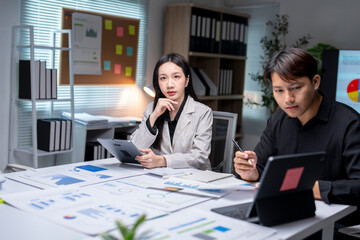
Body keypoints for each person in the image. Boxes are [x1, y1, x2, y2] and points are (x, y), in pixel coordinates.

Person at [233, 48, 360, 239]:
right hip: (285, 215)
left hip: (336, 225)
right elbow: (259, 166)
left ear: (315, 82)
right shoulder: (279, 120)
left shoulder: (349, 124)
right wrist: (250, 172)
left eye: (296, 88)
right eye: (279, 90)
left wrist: (315, 188)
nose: (287, 99)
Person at [130, 53, 213, 170]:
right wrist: (153, 116)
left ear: (186, 80)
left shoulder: (203, 112)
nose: (169, 85)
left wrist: (161, 160)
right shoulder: (151, 109)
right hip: (159, 177)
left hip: (193, 177)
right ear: (158, 82)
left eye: (176, 77)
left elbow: (199, 157)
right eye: (163, 78)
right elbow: (135, 148)